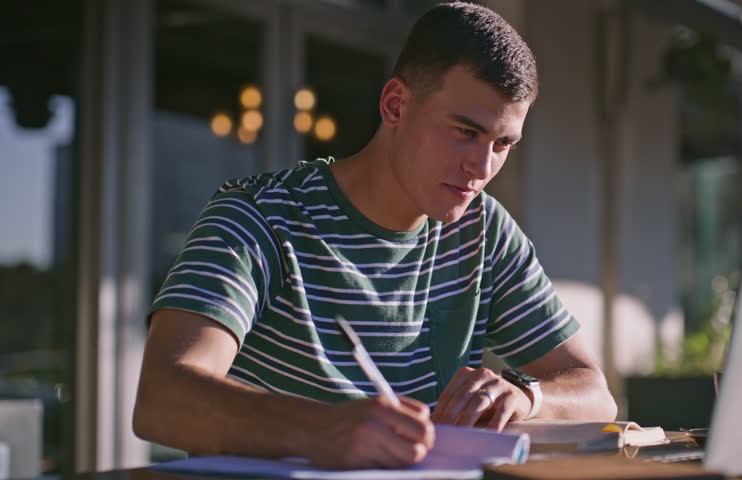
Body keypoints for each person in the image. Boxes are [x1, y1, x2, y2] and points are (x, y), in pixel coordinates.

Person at [133, 1, 617, 469]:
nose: (482, 167)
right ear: (395, 105)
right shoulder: (259, 217)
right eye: (465, 132)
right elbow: (162, 397)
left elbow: (594, 392)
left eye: (503, 144)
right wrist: (320, 430)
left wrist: (526, 395)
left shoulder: (484, 231)